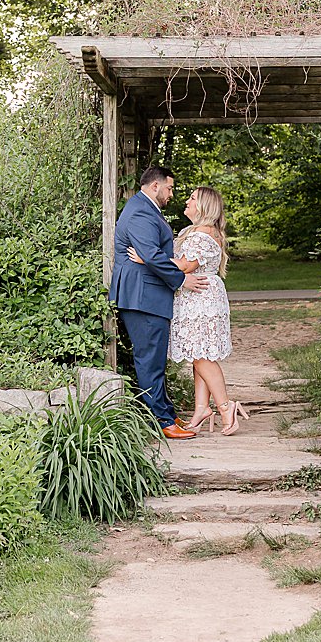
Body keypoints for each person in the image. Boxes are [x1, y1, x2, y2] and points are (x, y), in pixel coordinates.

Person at [127, 185, 250, 435]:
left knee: (202, 356)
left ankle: (226, 406)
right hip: (196, 297)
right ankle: (201, 408)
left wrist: (146, 258)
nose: (187, 201)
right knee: (199, 353)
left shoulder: (202, 235)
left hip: (201, 299)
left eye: (192, 198)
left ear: (203, 206)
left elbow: (184, 265)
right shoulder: (194, 232)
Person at [110, 166, 210, 440]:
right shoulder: (141, 211)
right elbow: (152, 255)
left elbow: (151, 255)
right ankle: (162, 421)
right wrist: (181, 280)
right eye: (170, 188)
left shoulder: (144, 207)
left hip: (147, 295)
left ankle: (166, 411)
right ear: (155, 186)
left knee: (154, 359)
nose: (172, 193)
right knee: (149, 360)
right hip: (143, 296)